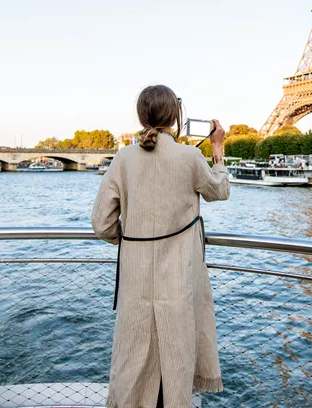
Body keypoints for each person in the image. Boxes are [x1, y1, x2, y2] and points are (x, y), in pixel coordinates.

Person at [91, 84, 230, 408]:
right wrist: (217, 148)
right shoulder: (189, 156)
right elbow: (219, 190)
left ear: (142, 116)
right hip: (179, 282)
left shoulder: (123, 158)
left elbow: (102, 223)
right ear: (175, 116)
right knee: (176, 362)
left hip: (135, 282)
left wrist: (129, 242)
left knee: (134, 363)